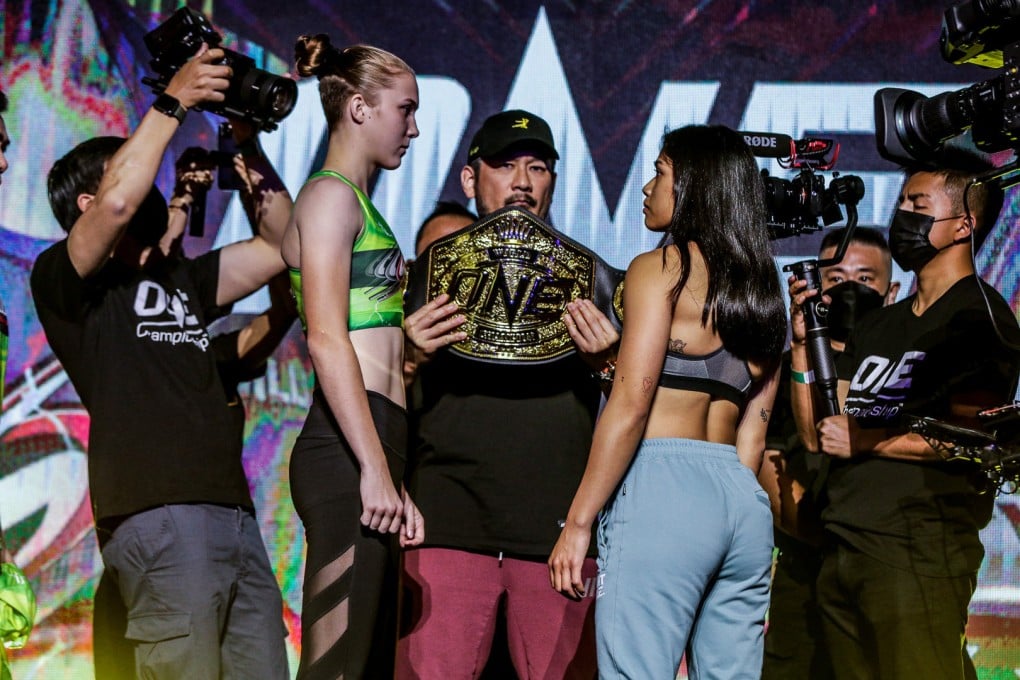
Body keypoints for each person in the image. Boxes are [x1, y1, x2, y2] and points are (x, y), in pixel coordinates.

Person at [30, 47, 290, 679]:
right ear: (88, 205)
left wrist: (247, 145)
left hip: (234, 515)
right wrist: (173, 101)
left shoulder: (180, 277)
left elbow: (284, 247)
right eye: (128, 174)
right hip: (158, 515)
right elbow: (120, 205)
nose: (146, 185)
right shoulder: (68, 282)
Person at [549, 124, 787, 679]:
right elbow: (753, 433)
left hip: (664, 491)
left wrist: (578, 522)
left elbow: (631, 408)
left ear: (695, 186)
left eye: (659, 172)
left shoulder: (659, 270)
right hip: (741, 505)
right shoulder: (761, 290)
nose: (646, 187)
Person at [397, 110, 619, 679]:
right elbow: (374, 406)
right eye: (504, 165)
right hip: (444, 526)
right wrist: (408, 359)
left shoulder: (598, 281)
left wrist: (608, 366)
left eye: (537, 167)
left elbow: (634, 414)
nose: (522, 180)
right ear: (471, 180)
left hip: (559, 537)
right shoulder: (420, 277)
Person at [789, 148, 1020, 679]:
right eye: (902, 202)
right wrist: (804, 349)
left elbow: (978, 440)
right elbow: (820, 433)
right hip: (844, 546)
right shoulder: (879, 325)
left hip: (916, 555)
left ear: (963, 223)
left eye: (918, 202)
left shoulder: (978, 319)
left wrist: (870, 441)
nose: (902, 216)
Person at [282, 36, 424, 679]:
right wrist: (371, 467)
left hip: (374, 439)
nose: (414, 129)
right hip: (347, 444)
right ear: (361, 109)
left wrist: (390, 473)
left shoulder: (356, 203)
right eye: (406, 109)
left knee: (363, 665)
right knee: (335, 666)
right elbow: (325, 336)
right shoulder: (330, 196)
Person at [758, 226, 898, 680]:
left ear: (891, 291)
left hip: (883, 565)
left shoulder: (903, 372)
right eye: (836, 279)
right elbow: (768, 460)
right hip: (805, 565)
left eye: (865, 279)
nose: (850, 290)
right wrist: (823, 533)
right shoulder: (780, 371)